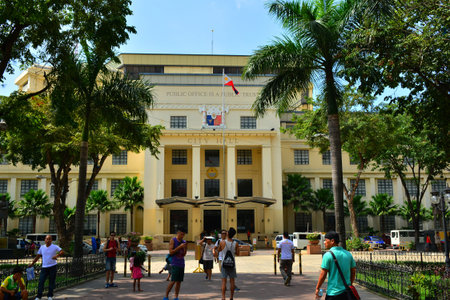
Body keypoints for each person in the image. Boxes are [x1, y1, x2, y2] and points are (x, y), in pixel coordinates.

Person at [315, 231, 356, 299]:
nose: (324, 242)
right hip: (346, 292)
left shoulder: (328, 255)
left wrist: (317, 288)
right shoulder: (348, 254)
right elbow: (353, 271)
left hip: (333, 293)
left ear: (332, 241)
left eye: (325, 240)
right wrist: (349, 284)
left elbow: (323, 274)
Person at [28, 235, 64, 300]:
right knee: (41, 281)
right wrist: (32, 263)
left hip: (52, 267)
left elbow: (62, 251)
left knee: (51, 282)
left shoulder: (55, 247)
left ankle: (50, 296)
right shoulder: (42, 247)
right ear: (45, 240)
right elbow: (38, 256)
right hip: (44, 267)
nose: (48, 240)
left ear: (51, 240)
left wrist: (57, 255)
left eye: (49, 239)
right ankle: (39, 296)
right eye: (47, 239)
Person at [216, 227, 240, 300]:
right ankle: (231, 297)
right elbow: (238, 254)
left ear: (228, 233)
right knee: (232, 281)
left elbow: (219, 250)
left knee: (224, 281)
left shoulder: (222, 242)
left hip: (224, 263)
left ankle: (223, 297)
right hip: (232, 264)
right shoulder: (236, 243)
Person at [164, 227, 187, 300]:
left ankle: (176, 296)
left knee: (179, 281)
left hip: (181, 263)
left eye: (183, 235)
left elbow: (184, 254)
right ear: (178, 233)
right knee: (173, 280)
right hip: (174, 263)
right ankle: (166, 296)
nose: (182, 236)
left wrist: (185, 248)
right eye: (181, 234)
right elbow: (171, 252)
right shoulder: (173, 240)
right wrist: (179, 247)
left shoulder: (184, 241)